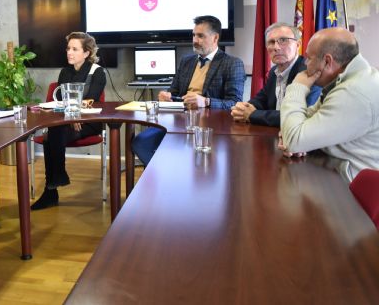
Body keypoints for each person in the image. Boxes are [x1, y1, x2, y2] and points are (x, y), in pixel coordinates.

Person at [131, 15, 245, 165]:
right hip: (178, 122)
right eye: (194, 35)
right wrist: (167, 95)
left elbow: (234, 102)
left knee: (183, 156)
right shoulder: (187, 61)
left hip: (210, 125)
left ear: (215, 38)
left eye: (200, 36)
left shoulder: (232, 63)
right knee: (141, 142)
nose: (195, 40)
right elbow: (174, 90)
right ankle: (163, 177)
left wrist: (206, 101)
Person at [280, 27, 379, 181]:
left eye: (309, 58)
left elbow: (293, 139)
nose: (306, 63)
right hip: (335, 174)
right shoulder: (348, 79)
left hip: (353, 194)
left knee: (285, 193)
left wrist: (298, 86)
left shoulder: (354, 92)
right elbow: (301, 126)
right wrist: (294, 136)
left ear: (327, 61)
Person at [31, 32, 106, 210]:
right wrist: (70, 117)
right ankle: (56, 181)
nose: (69, 52)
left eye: (74, 49)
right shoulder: (65, 72)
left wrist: (75, 116)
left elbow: (91, 99)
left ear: (87, 53)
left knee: (52, 135)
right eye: (68, 48)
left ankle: (52, 190)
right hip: (67, 121)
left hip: (89, 121)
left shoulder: (98, 71)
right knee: (53, 133)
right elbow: (63, 101)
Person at [231, 22, 321, 126]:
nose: (276, 47)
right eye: (271, 42)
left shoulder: (309, 72)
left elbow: (299, 116)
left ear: (298, 45)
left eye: (283, 40)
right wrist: (243, 109)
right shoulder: (274, 72)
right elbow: (262, 99)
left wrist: (253, 115)